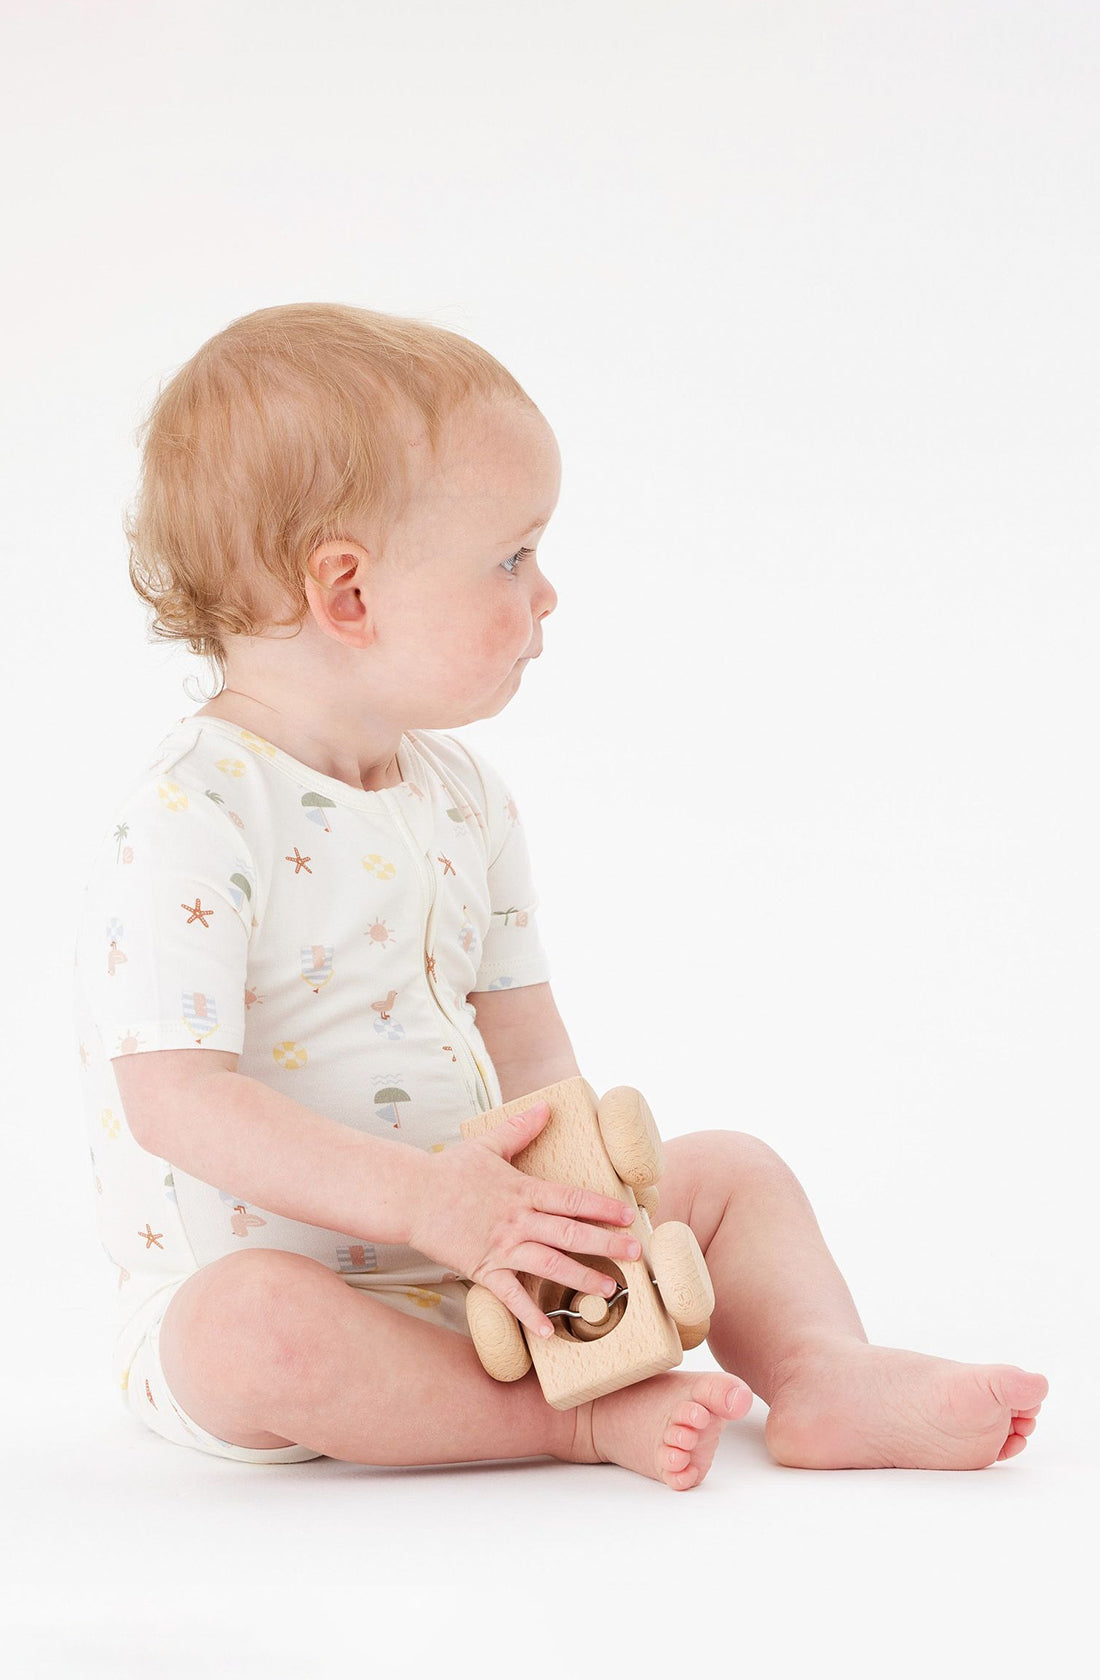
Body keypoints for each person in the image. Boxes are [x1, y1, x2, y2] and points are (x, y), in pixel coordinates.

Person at [72, 302, 1047, 1489]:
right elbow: (177, 1104)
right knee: (251, 1325)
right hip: (302, 1297)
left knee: (731, 1172)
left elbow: (524, 1035)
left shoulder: (463, 797)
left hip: (488, 1250)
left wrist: (580, 1218)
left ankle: (822, 1371)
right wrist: (429, 1206)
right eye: (511, 557)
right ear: (348, 594)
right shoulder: (192, 816)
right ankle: (564, 1424)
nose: (544, 595)